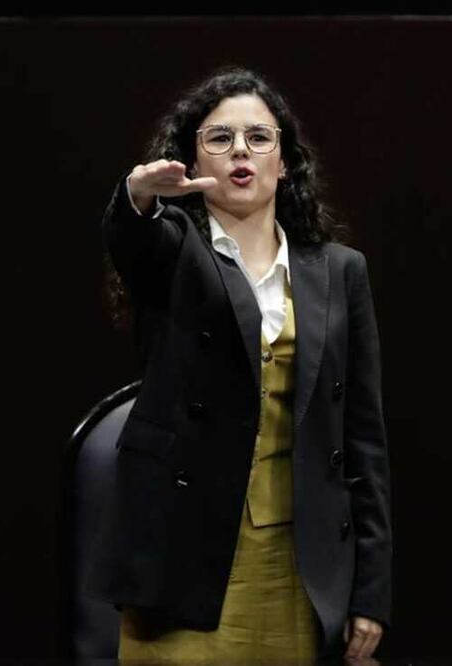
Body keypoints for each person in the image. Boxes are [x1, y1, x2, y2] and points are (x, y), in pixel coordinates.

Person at [87, 67, 392, 662]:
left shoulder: (339, 270)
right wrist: (140, 194)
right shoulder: (172, 249)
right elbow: (131, 238)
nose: (240, 153)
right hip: (182, 553)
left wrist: (372, 589)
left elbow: (362, 440)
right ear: (193, 159)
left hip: (297, 560)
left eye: (259, 138)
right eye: (219, 139)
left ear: (285, 161)